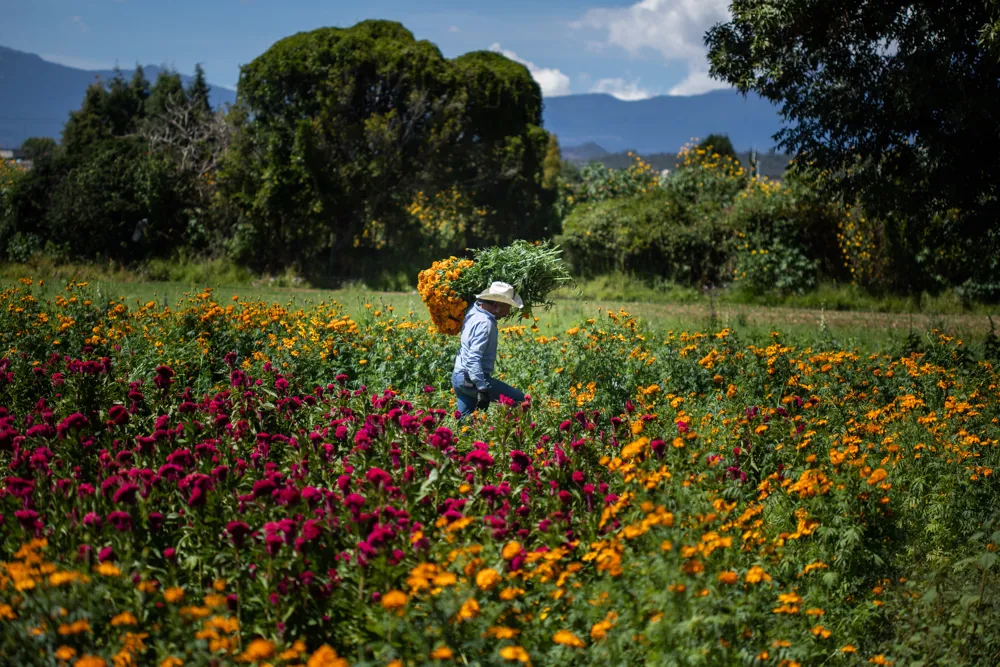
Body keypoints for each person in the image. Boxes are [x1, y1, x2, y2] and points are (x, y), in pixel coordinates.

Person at [452, 281, 526, 419]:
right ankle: (512, 434)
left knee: (464, 423)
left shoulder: (473, 310)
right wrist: (482, 388)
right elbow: (473, 358)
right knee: (522, 401)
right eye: (508, 308)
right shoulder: (485, 324)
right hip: (472, 379)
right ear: (497, 306)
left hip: (458, 376)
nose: (508, 313)